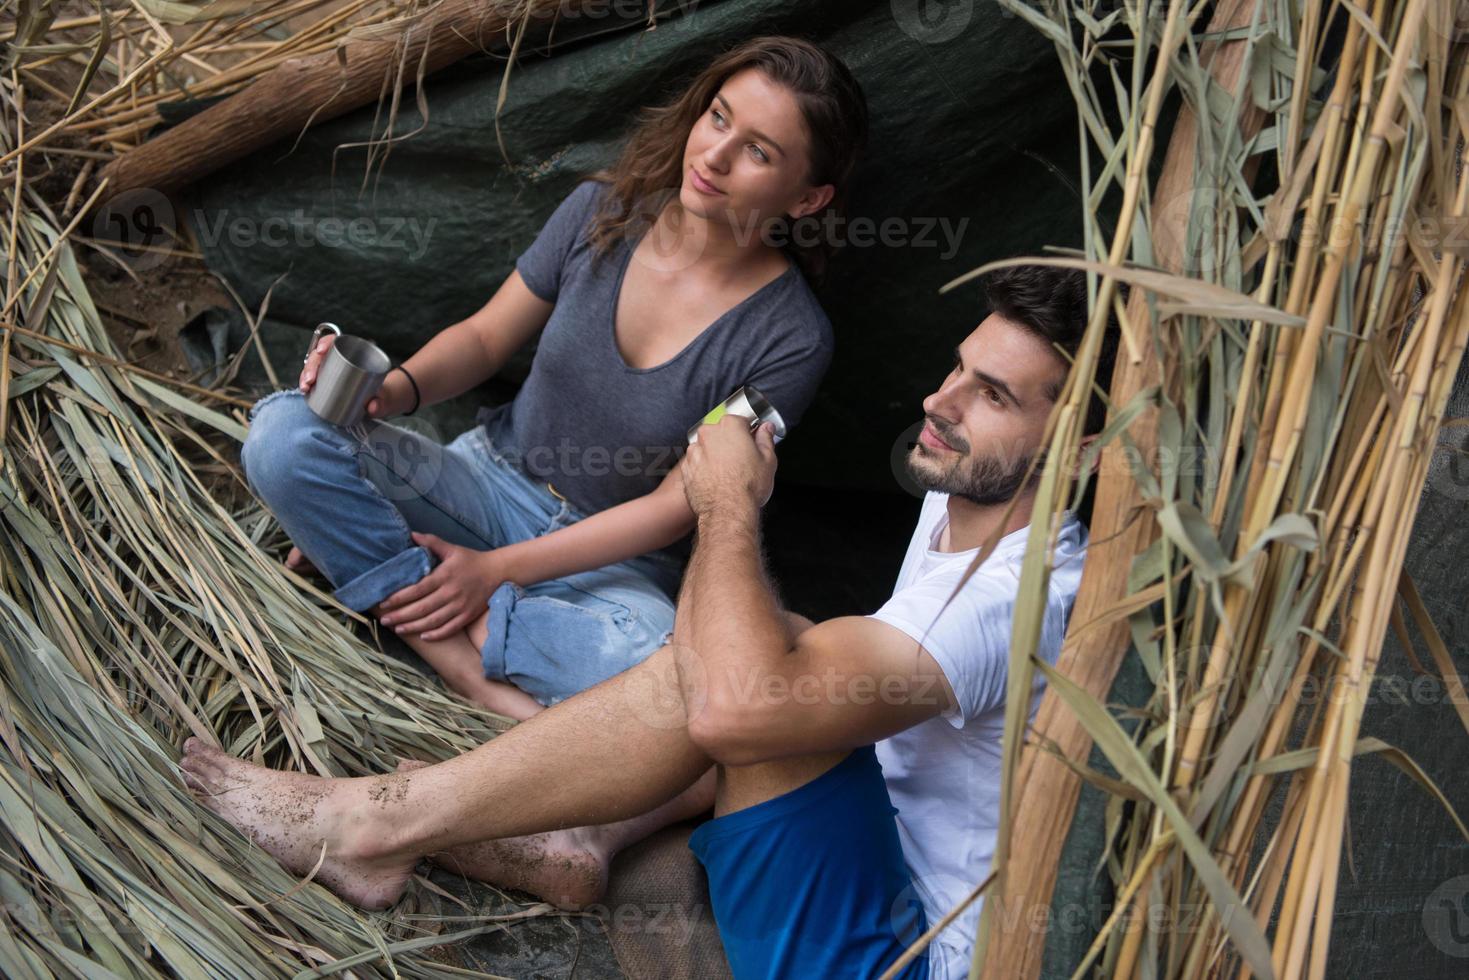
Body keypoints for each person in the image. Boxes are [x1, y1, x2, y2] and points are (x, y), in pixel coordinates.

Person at [184, 265, 1118, 978]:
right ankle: (582, 839)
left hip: (892, 952)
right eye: (957, 369)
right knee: (772, 638)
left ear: (1075, 443)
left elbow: (727, 711)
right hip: (869, 835)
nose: (938, 401)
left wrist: (725, 505)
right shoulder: (967, 503)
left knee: (729, 677)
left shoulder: (1012, 599)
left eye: (990, 396)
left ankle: (367, 828)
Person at [239, 36, 869, 720]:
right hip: (480, 486)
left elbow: (672, 506)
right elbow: (484, 338)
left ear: (808, 199)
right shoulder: (603, 210)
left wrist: (494, 573)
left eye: (758, 151)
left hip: (609, 567)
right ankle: (466, 654)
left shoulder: (791, 339)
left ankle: (396, 591)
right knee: (285, 436)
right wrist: (386, 393)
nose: (714, 155)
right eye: (717, 117)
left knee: (663, 669)